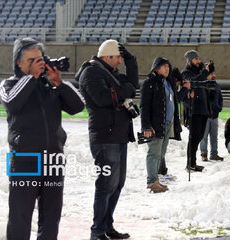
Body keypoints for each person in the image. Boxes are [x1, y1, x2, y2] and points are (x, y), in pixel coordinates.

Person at [0, 38, 84, 240]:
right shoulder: (9, 84)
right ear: (19, 62)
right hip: (24, 160)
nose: (38, 63)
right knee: (20, 217)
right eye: (32, 59)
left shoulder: (49, 85)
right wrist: (32, 78)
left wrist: (59, 83)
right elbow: (11, 103)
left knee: (51, 218)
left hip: (53, 161)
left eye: (40, 59)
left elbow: (79, 106)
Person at [77, 39, 138, 240]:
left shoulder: (111, 73)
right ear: (107, 57)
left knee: (117, 184)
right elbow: (104, 98)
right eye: (119, 57)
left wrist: (131, 60)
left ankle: (107, 225)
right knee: (106, 185)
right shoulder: (91, 72)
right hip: (105, 137)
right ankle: (97, 231)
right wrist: (126, 90)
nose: (120, 61)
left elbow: (132, 84)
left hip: (118, 135)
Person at [140, 57, 182, 193]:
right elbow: (144, 106)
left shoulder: (167, 83)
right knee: (154, 153)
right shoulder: (149, 83)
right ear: (156, 67)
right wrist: (146, 126)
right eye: (164, 66)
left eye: (168, 66)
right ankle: (151, 182)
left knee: (161, 153)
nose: (167, 68)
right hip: (155, 124)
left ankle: (156, 180)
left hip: (167, 123)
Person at [181, 50, 215, 172]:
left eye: (199, 59)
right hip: (194, 109)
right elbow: (194, 82)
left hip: (203, 109)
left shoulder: (201, 72)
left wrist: (208, 71)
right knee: (194, 137)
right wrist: (205, 72)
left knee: (199, 136)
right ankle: (190, 164)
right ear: (190, 61)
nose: (198, 61)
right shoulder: (186, 73)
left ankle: (193, 163)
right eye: (196, 59)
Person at [199, 71, 224, 161]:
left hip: (215, 115)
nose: (214, 76)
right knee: (204, 136)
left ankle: (214, 154)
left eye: (214, 73)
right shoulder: (202, 85)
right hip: (205, 116)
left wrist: (219, 107)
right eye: (211, 74)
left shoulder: (217, 85)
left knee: (214, 136)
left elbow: (220, 98)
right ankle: (204, 154)